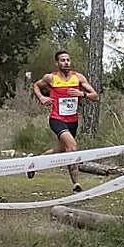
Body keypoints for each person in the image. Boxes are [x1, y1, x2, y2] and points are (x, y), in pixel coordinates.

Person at [30, 50, 99, 193]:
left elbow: (95, 96)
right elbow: (36, 86)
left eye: (68, 60)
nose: (66, 63)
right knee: (72, 147)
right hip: (57, 119)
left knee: (60, 150)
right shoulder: (51, 78)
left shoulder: (78, 78)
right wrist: (42, 98)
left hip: (73, 121)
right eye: (62, 60)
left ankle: (35, 163)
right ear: (57, 63)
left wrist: (82, 94)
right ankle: (76, 185)